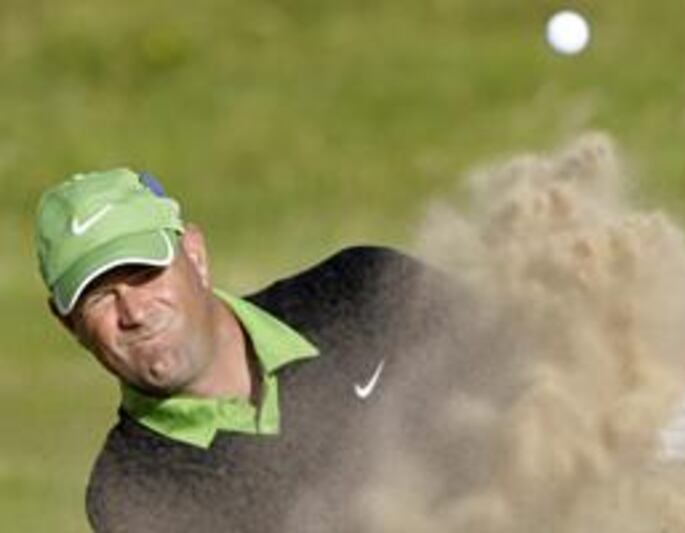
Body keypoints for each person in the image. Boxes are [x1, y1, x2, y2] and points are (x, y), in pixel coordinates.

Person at [35, 168, 461, 532]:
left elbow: (521, 361)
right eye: (100, 298)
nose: (135, 311)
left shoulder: (364, 290)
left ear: (196, 255)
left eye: (145, 273)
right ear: (68, 323)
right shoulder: (132, 494)